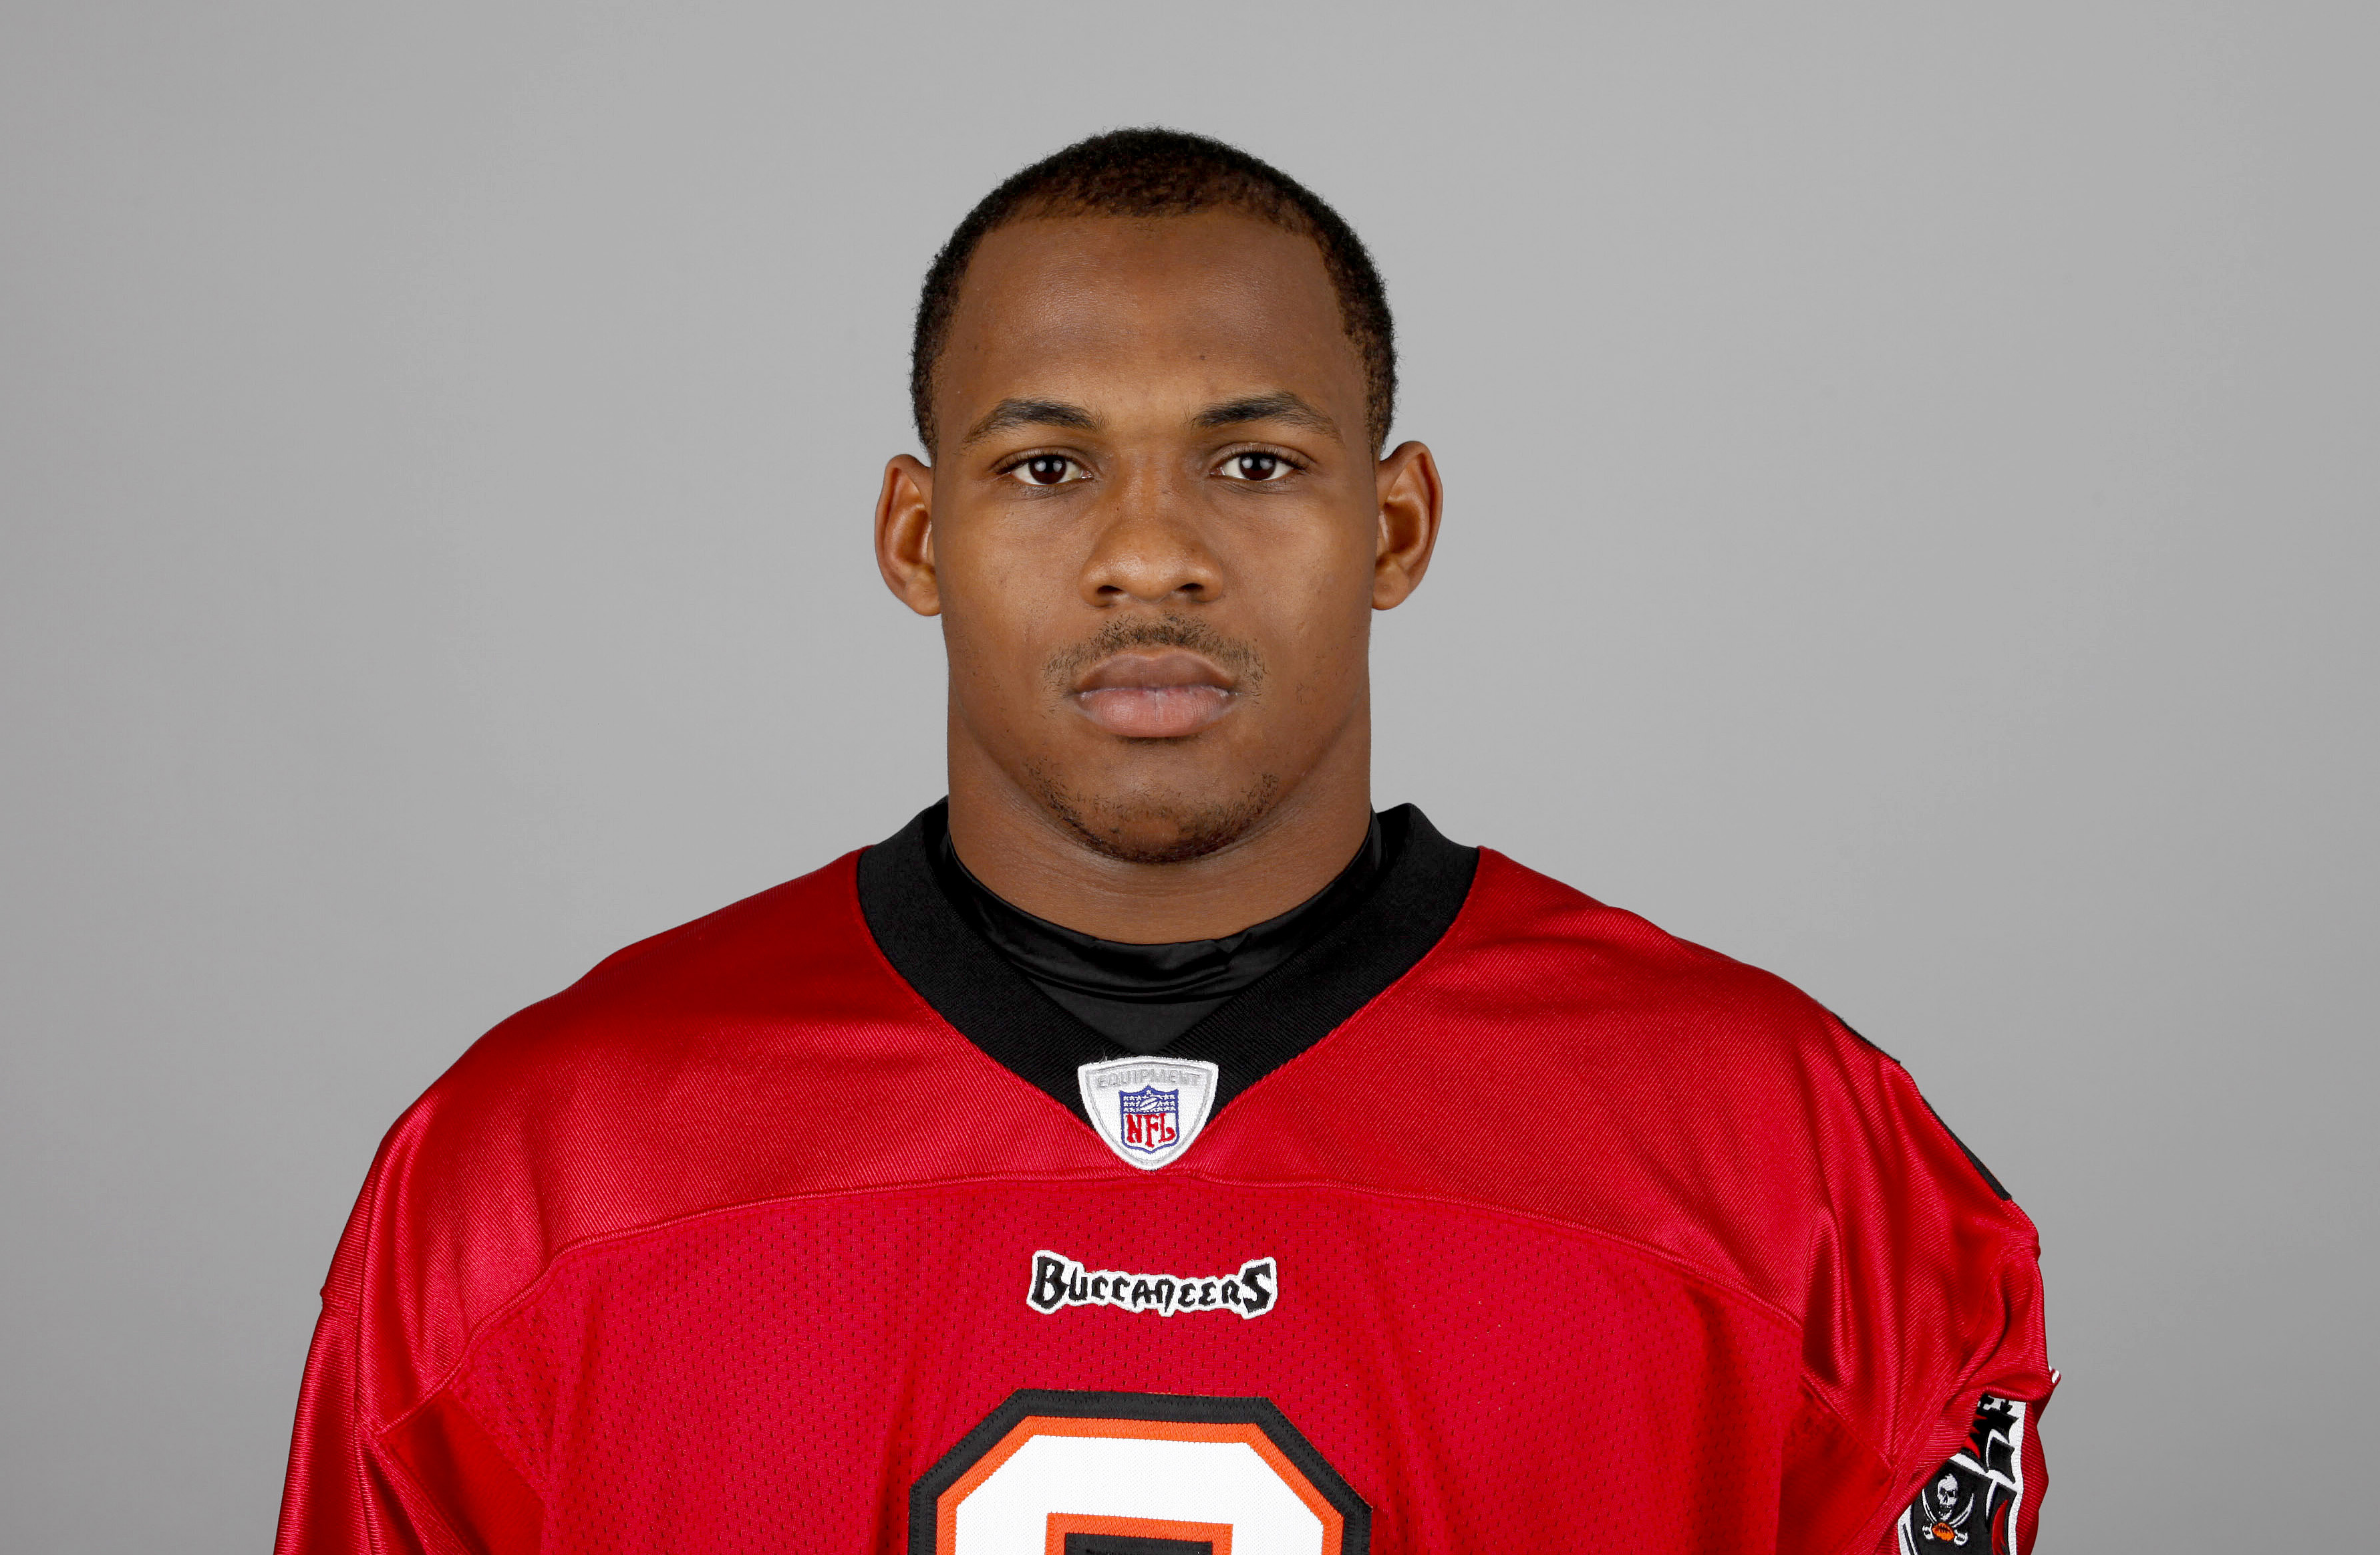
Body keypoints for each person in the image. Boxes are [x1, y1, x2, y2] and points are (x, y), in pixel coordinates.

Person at [275, 128, 2053, 1554]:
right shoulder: (541, 1168)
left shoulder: (1791, 1162)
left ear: (1395, 524)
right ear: (915, 539)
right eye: (1047, 468)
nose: (1150, 556)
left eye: (1253, 463)